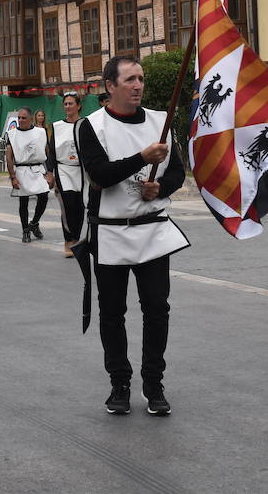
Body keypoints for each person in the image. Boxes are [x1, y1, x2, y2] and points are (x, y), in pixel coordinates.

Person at [76, 57, 187, 417]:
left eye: (141, 79)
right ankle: (119, 383)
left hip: (153, 230)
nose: (138, 85)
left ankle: (154, 384)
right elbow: (100, 175)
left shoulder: (160, 122)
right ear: (110, 86)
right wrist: (142, 157)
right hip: (111, 231)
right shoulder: (92, 126)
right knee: (113, 313)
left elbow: (177, 174)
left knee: (157, 309)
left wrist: (161, 188)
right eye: (130, 80)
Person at [6, 107, 50, 243]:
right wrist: (13, 176)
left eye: (23, 118)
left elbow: (48, 151)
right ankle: (25, 230)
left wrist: (49, 172)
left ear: (31, 118)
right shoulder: (11, 134)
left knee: (44, 196)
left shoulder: (41, 132)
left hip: (37, 169)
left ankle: (34, 223)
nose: (20, 120)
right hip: (21, 170)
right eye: (19, 117)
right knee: (23, 201)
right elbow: (9, 157)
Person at [49, 92, 86, 258]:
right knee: (68, 206)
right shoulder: (57, 126)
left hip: (82, 171)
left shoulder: (86, 125)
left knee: (80, 207)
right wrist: (50, 173)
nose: (68, 107)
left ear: (78, 106)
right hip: (63, 170)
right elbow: (51, 151)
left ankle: (78, 239)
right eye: (66, 104)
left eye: (71, 103)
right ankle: (68, 241)